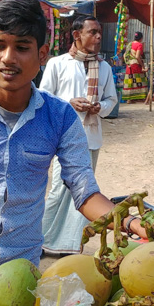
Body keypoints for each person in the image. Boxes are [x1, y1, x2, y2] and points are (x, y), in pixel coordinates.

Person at [0, 0, 146, 298]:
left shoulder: (60, 117)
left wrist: (130, 222)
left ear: (42, 55)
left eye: (22, 48)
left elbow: (84, 192)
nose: (8, 58)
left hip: (19, 276)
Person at [40, 14, 118, 255]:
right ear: (76, 35)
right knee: (58, 190)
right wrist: (69, 103)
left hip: (91, 137)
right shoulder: (57, 64)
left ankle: (71, 244)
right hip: (63, 138)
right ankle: (43, 239)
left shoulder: (104, 67)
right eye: (92, 32)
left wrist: (100, 107)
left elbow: (112, 99)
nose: (98, 37)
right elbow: (44, 97)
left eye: (99, 33)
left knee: (83, 191)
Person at [122, 31, 147, 102]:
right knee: (139, 81)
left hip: (129, 66)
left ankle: (129, 99)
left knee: (130, 81)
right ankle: (140, 97)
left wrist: (128, 63)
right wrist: (143, 66)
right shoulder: (139, 45)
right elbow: (137, 56)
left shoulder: (130, 44)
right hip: (136, 65)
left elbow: (124, 55)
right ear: (141, 38)